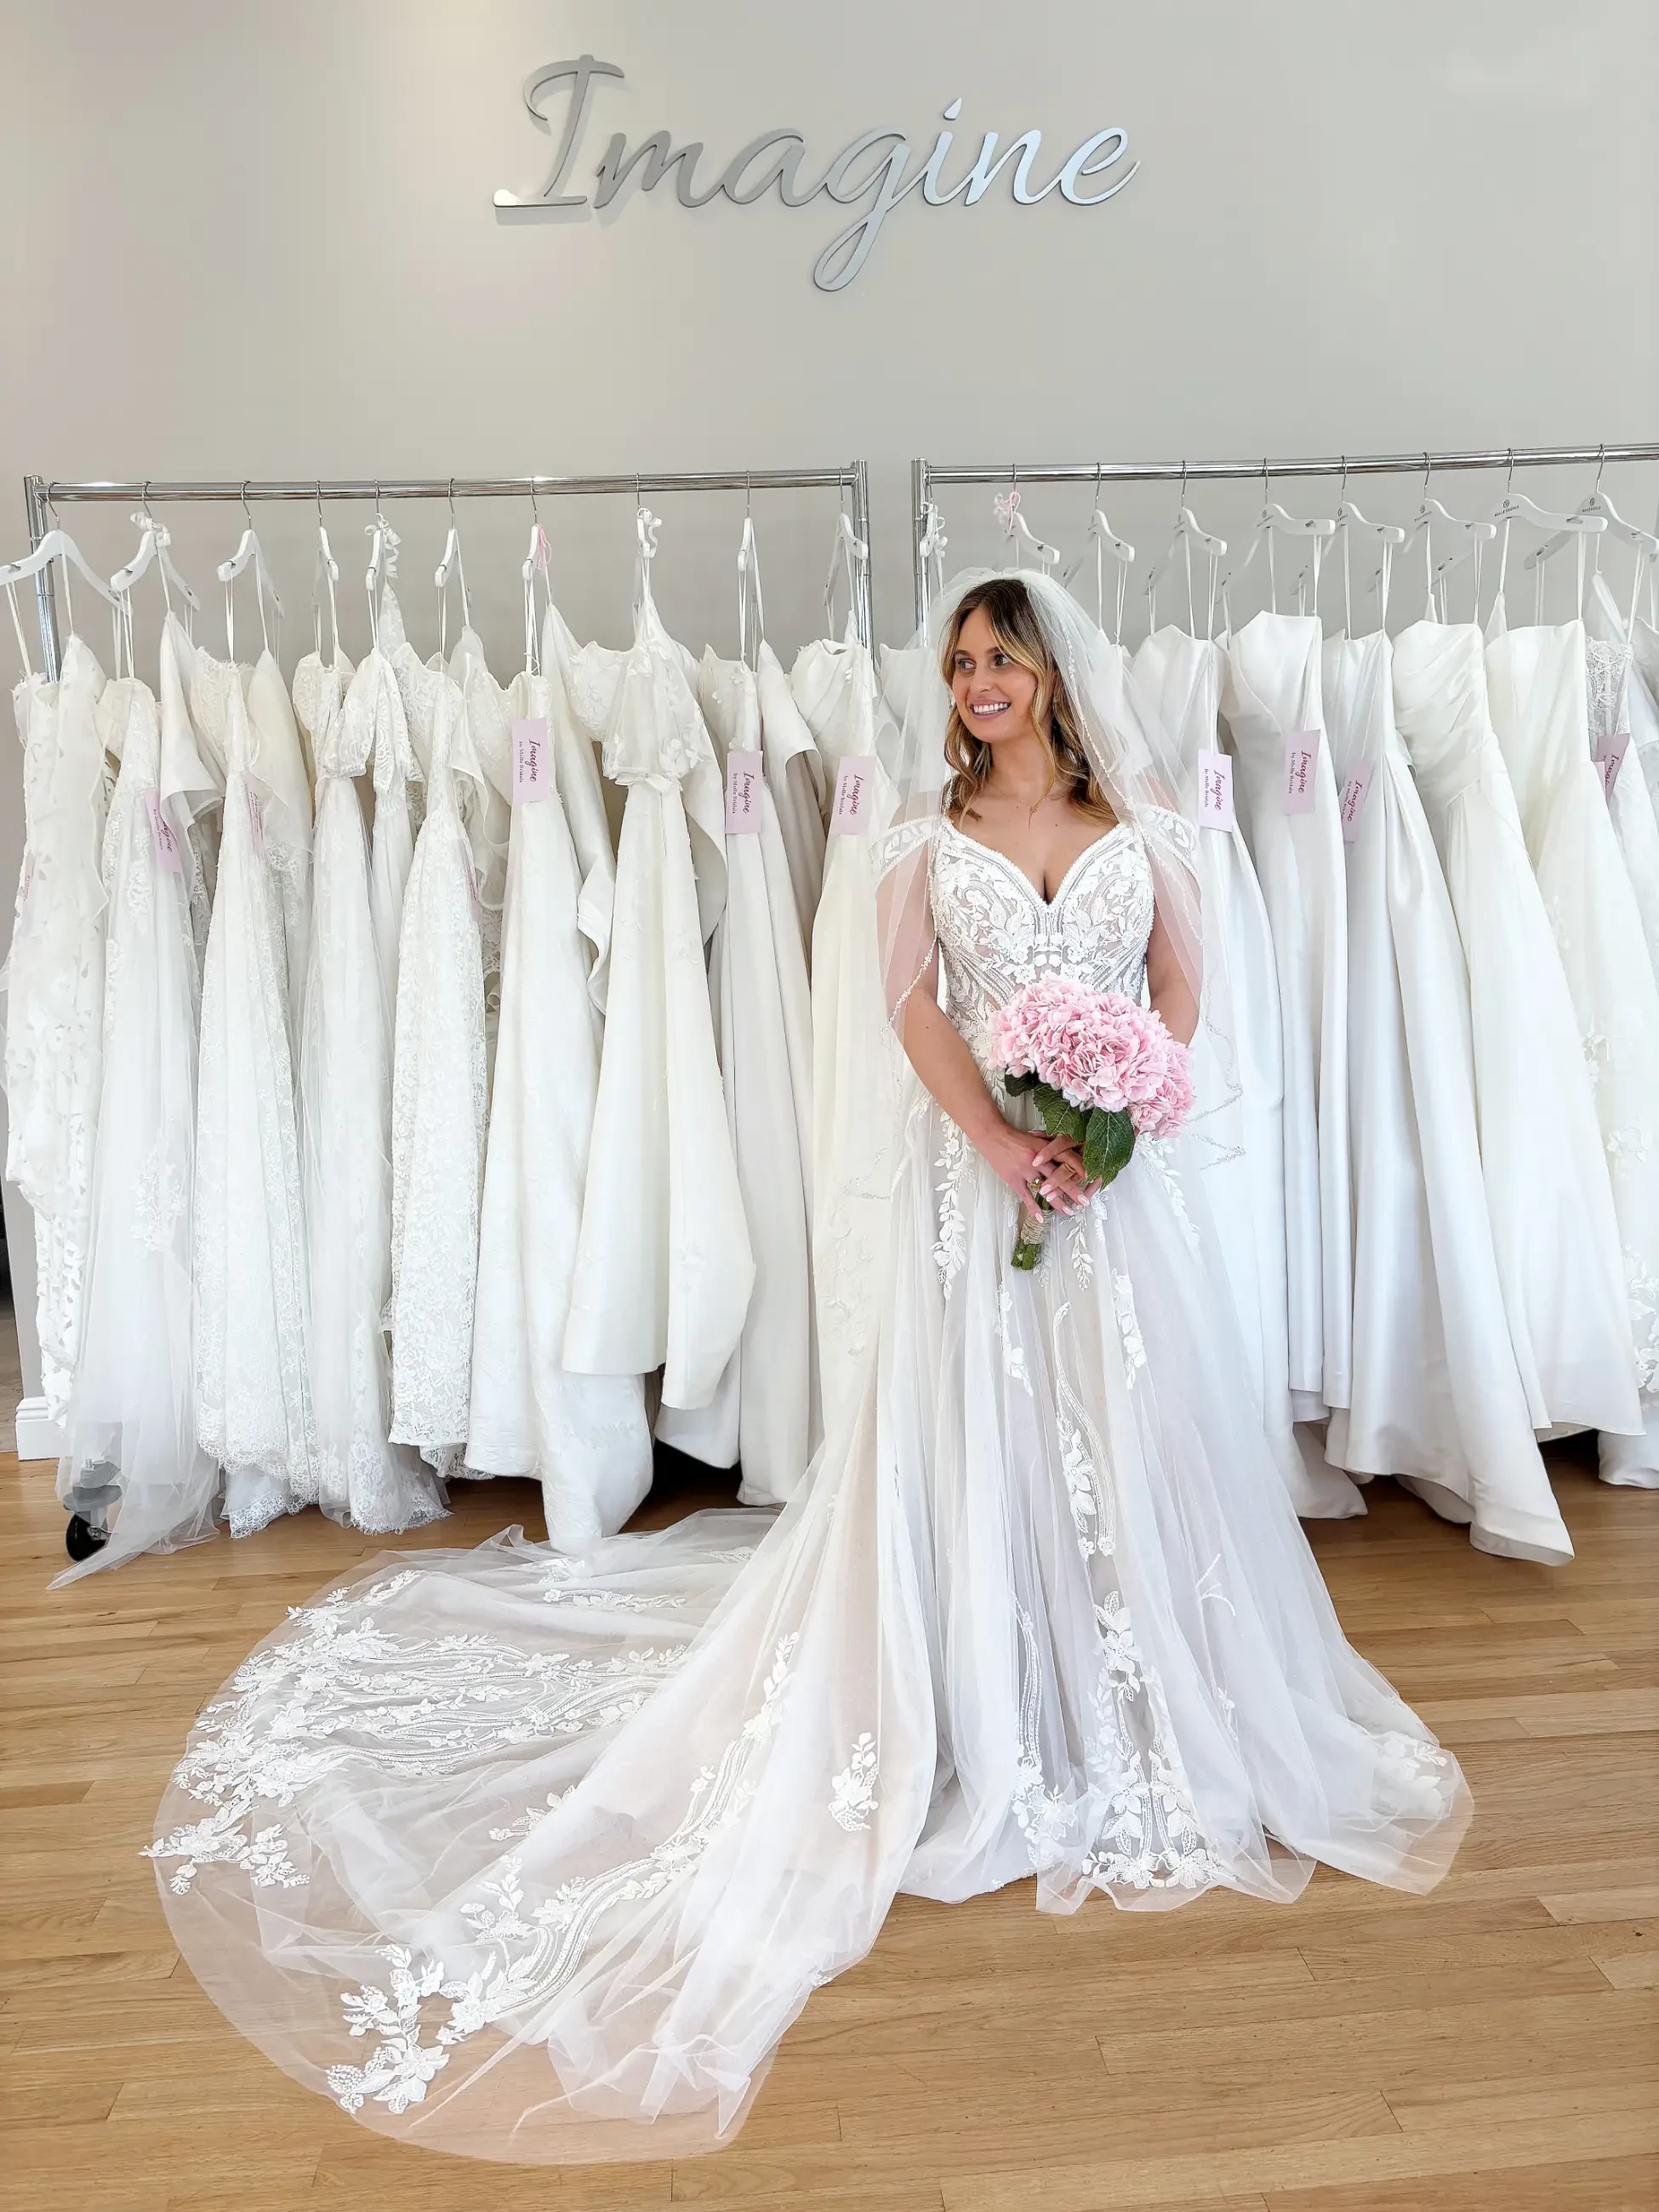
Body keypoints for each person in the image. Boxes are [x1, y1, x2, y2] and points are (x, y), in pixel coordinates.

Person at [145, 571, 1470, 2165]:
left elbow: (1178, 991)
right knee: (970, 1431)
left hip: (1114, 1206)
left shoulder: (1151, 837)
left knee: (1124, 1431)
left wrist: (1120, 1116)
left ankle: (1114, 1691)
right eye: (961, 663)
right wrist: (998, 1138)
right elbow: (909, 1007)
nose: (977, 683)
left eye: (1001, 659)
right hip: (977, 1198)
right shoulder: (920, 842)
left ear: (1052, 676)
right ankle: (971, 1686)